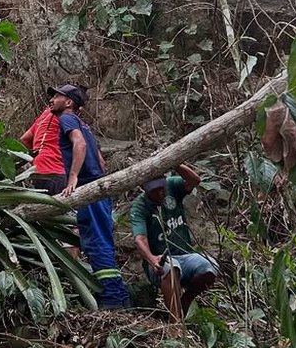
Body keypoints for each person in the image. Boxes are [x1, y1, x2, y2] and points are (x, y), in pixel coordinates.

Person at [49, 83, 129, 309]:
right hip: (99, 189)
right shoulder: (85, 125)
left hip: (88, 190)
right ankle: (120, 297)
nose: (52, 99)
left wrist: (73, 177)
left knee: (96, 243)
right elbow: (101, 160)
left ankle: (112, 301)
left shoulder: (67, 119)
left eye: (57, 96)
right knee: (102, 240)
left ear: (69, 103)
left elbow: (80, 144)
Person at [130, 163, 219, 322]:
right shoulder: (140, 207)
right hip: (160, 263)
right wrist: (152, 259)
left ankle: (186, 300)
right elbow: (140, 238)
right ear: (144, 189)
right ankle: (175, 322)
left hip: (185, 255)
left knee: (210, 267)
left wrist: (175, 163)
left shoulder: (172, 186)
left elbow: (194, 180)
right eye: (154, 190)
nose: (160, 193)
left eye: (161, 188)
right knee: (171, 268)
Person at [19, 105, 65, 195]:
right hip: (55, 170)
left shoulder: (44, 115)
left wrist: (35, 157)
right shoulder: (64, 115)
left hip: (37, 170)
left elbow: (24, 139)